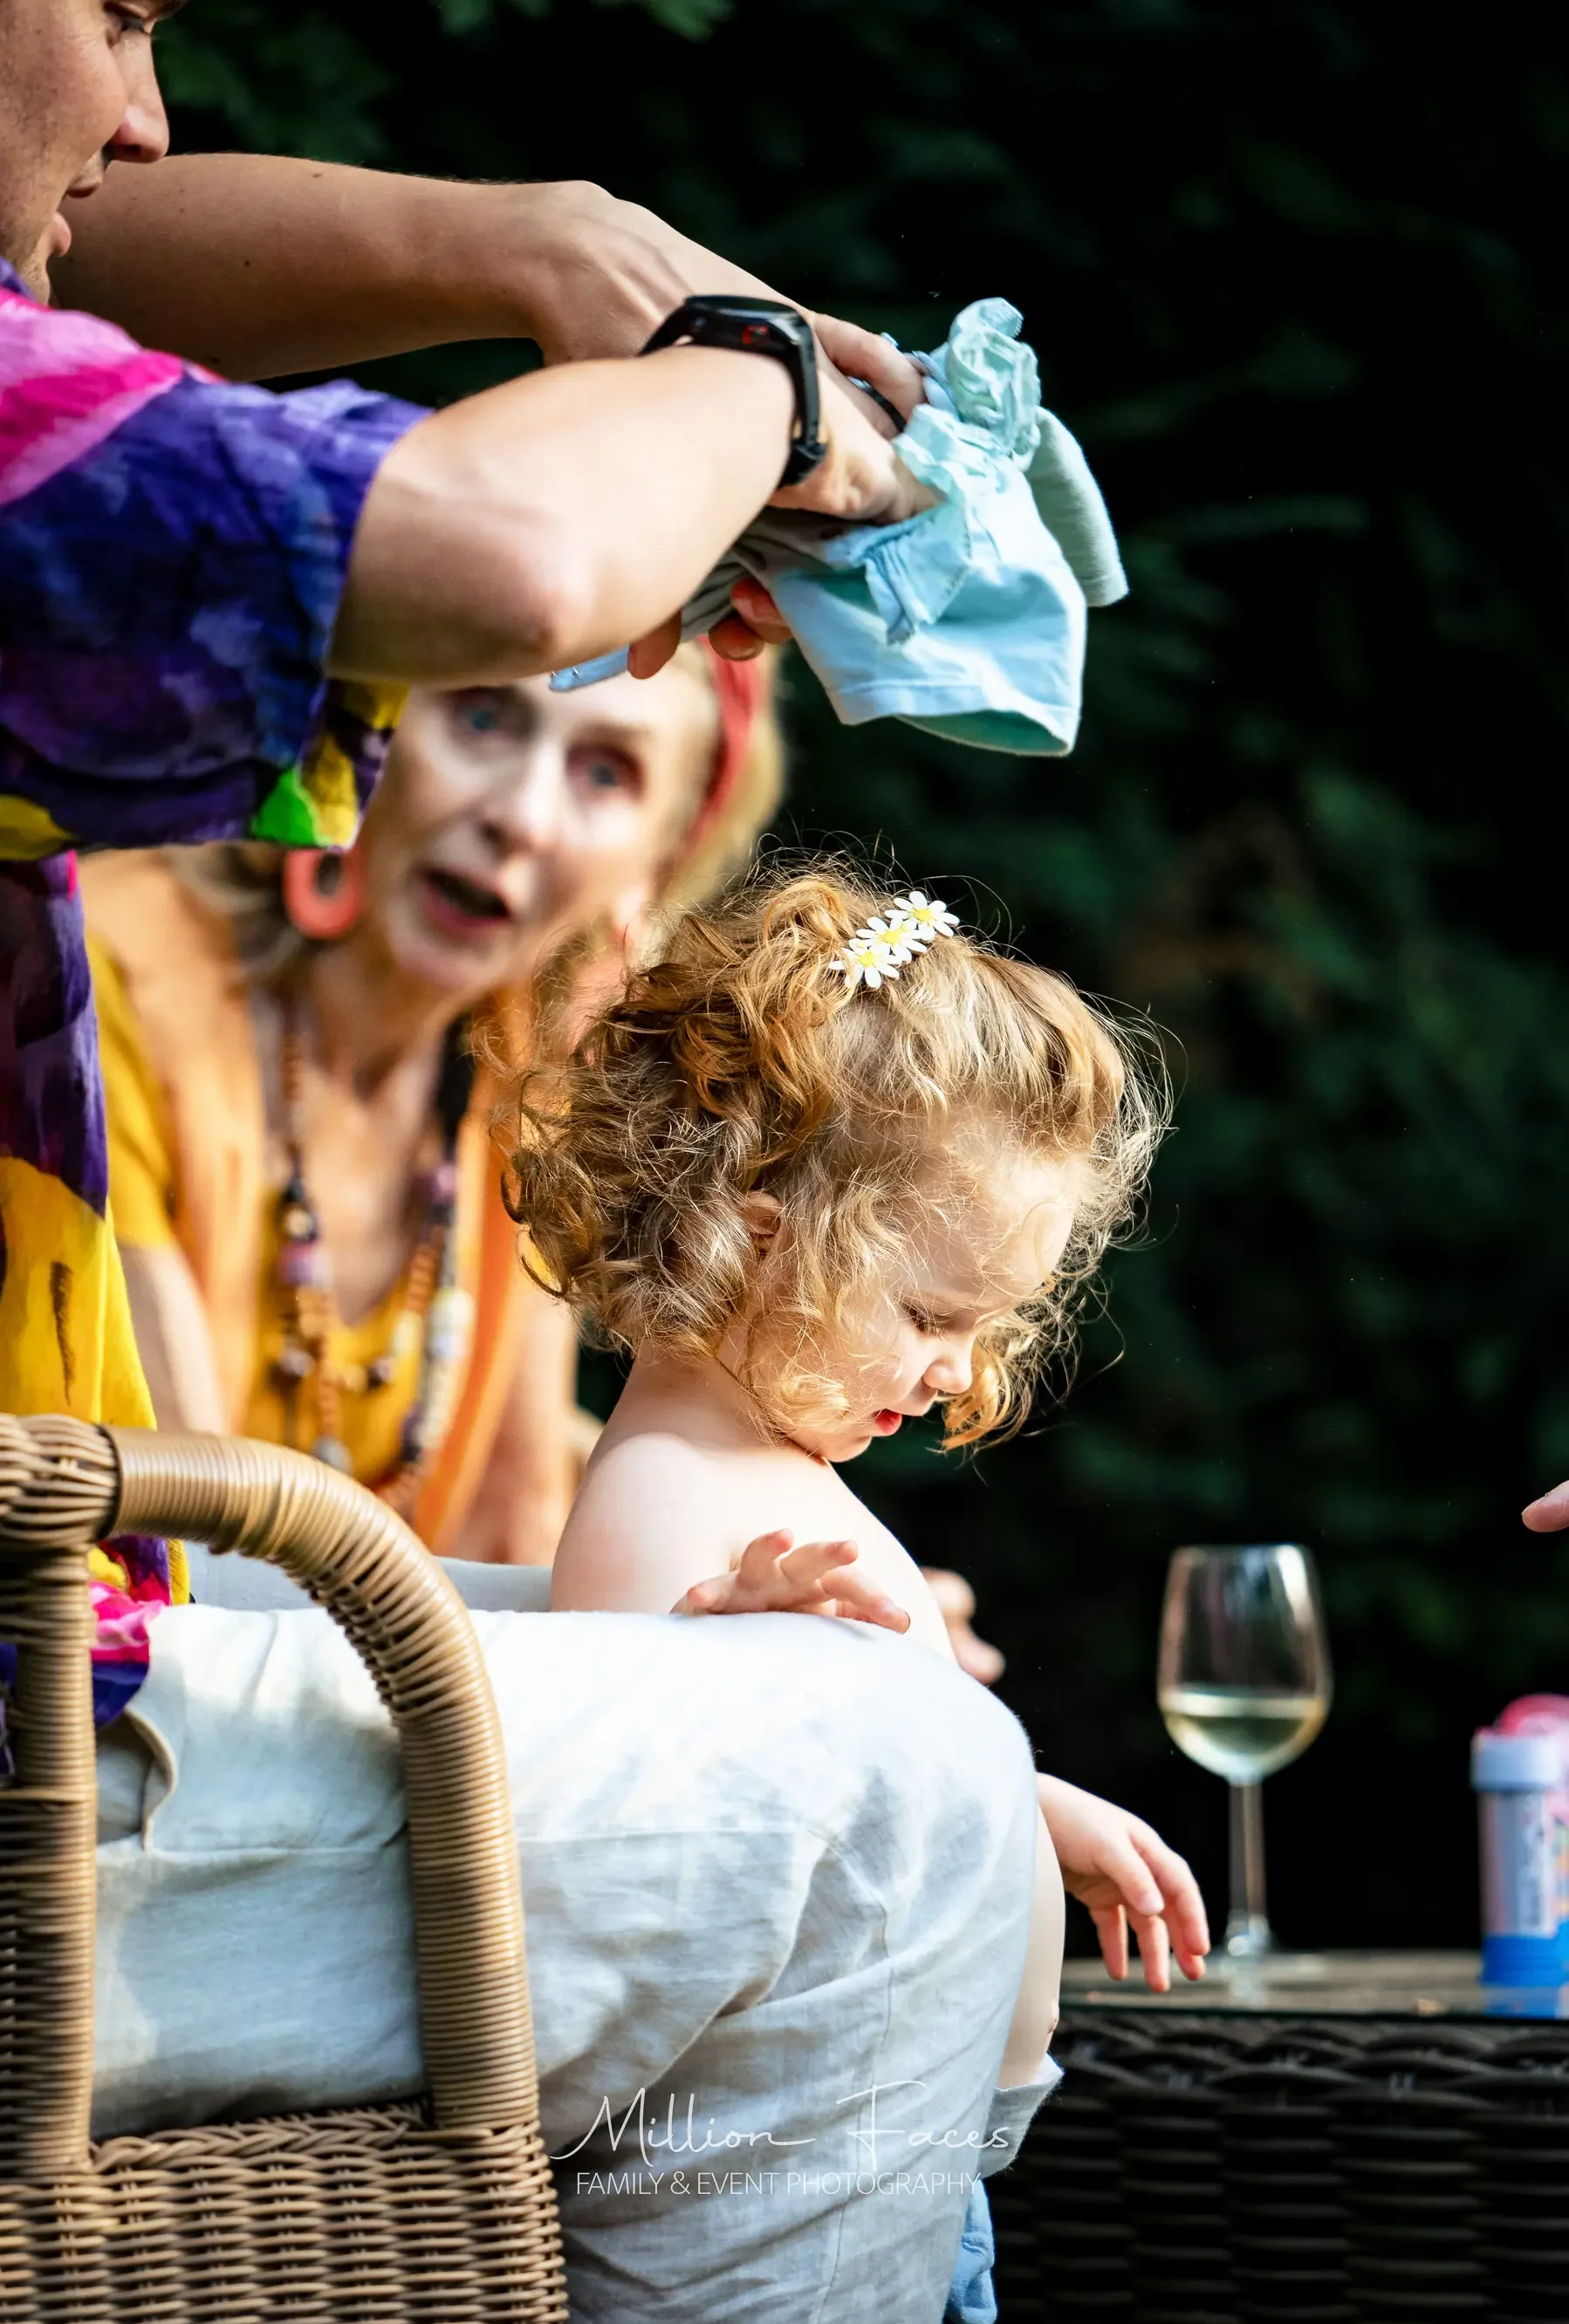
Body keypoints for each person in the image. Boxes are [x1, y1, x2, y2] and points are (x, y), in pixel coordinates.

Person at [2, 4, 1065, 2312]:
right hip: (55, 1721)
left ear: (666, 858)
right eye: (113, 10)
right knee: (889, 1798)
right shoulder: (157, 1005)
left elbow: (512, 1557)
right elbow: (499, 545)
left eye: (601, 766)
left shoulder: (500, 1129)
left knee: (887, 1737)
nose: (149, 114)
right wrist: (755, 371)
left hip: (115, 1634)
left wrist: (544, 242)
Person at [514, 862, 1211, 2009]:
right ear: (756, 1243)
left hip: (926, 2110)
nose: (961, 1369)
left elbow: (878, 1797)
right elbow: (625, 1842)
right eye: (932, 1315)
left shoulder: (760, 1468)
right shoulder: (662, 1491)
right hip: (805, 2123)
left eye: (984, 1324)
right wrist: (694, 1656)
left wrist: (1023, 1806)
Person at [83, 646, 780, 1563]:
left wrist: (780, 1592)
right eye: (481, 716)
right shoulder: (107, 981)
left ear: (657, 860)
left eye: (606, 772)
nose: (521, 816)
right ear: (358, 726)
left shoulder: (531, 1073)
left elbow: (514, 1523)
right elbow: (180, 1547)